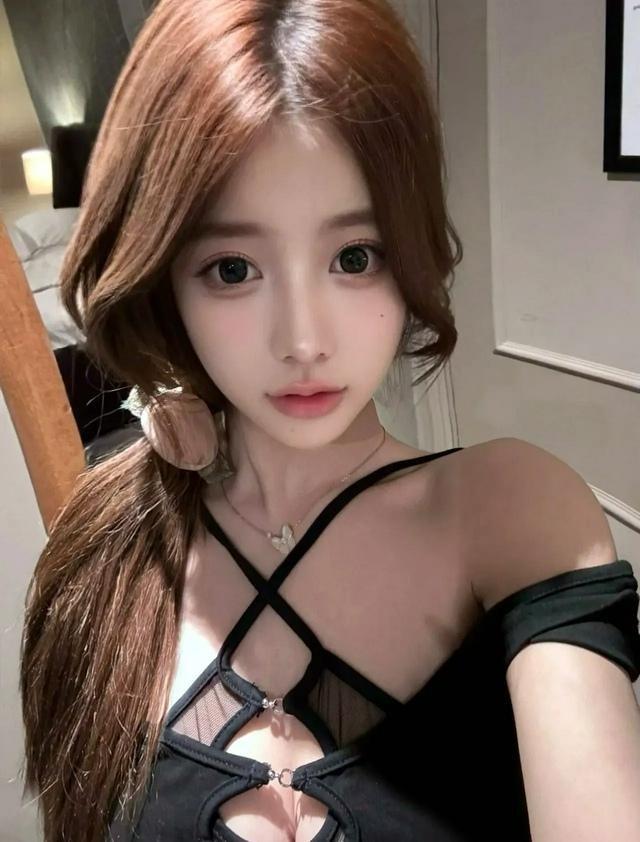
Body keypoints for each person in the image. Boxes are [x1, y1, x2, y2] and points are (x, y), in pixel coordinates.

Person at [18, 1, 640, 841]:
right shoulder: (105, 552)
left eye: (354, 257)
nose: (304, 341)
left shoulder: (509, 512)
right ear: (165, 280)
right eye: (232, 268)